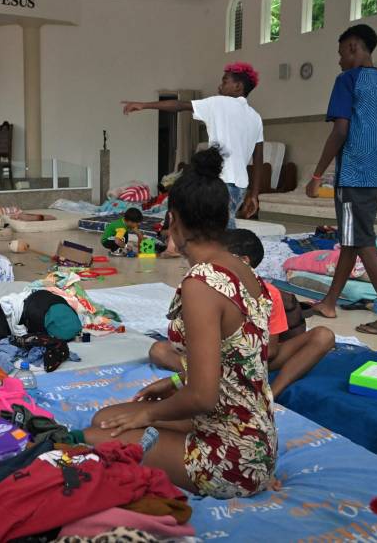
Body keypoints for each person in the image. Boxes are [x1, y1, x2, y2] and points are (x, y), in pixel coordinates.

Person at [84, 147, 277, 499]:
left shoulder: (201, 284)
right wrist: (176, 381)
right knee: (107, 416)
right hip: (252, 429)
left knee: (97, 438)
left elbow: (202, 396)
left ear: (171, 219)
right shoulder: (242, 268)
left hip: (233, 455)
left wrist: (150, 415)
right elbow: (237, 359)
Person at [304, 24, 377, 338]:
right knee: (351, 238)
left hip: (352, 177)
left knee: (362, 240)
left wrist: (317, 175)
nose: (338, 61)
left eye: (339, 54)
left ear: (352, 47)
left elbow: (340, 131)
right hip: (376, 176)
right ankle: (329, 302)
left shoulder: (347, 80)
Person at [154, 229, 334, 400]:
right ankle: (217, 378)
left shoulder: (268, 293)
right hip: (218, 360)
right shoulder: (210, 287)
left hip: (253, 359)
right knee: (159, 350)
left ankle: (271, 394)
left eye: (219, 257)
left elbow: (270, 351)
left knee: (323, 336)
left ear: (243, 261)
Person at [122, 63, 264, 228]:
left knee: (219, 230)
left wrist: (144, 105)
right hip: (240, 186)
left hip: (220, 181)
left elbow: (180, 106)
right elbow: (258, 156)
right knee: (219, 224)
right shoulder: (255, 117)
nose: (219, 86)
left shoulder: (219, 103)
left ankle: (228, 251)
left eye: (225, 81)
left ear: (238, 86)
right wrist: (254, 194)